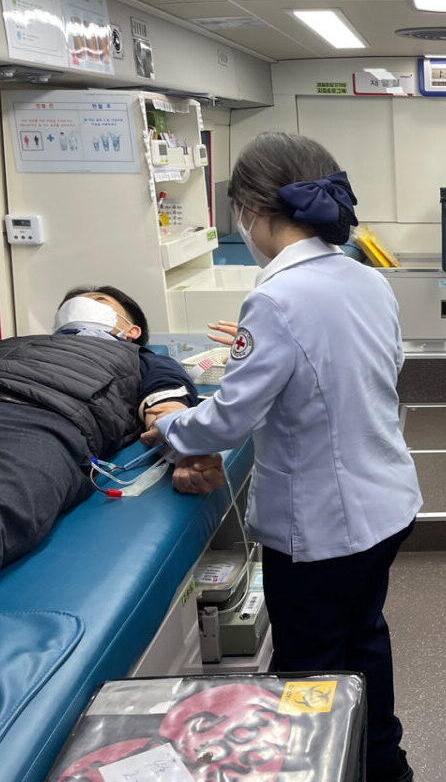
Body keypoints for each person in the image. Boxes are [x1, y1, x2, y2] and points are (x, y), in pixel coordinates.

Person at [141, 132, 422, 782]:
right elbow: (371, 370)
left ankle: (323, 767)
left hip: (321, 529)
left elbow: (229, 419)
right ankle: (385, 763)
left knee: (310, 670)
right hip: (386, 505)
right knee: (363, 640)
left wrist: (173, 424)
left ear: (251, 211)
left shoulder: (274, 298)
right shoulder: (366, 278)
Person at [0, 285, 225, 569]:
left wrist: (186, 451)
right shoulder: (19, 342)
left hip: (42, 419)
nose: (81, 304)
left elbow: (165, 411)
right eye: (74, 302)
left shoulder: (143, 358)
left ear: (132, 330)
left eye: (99, 300)